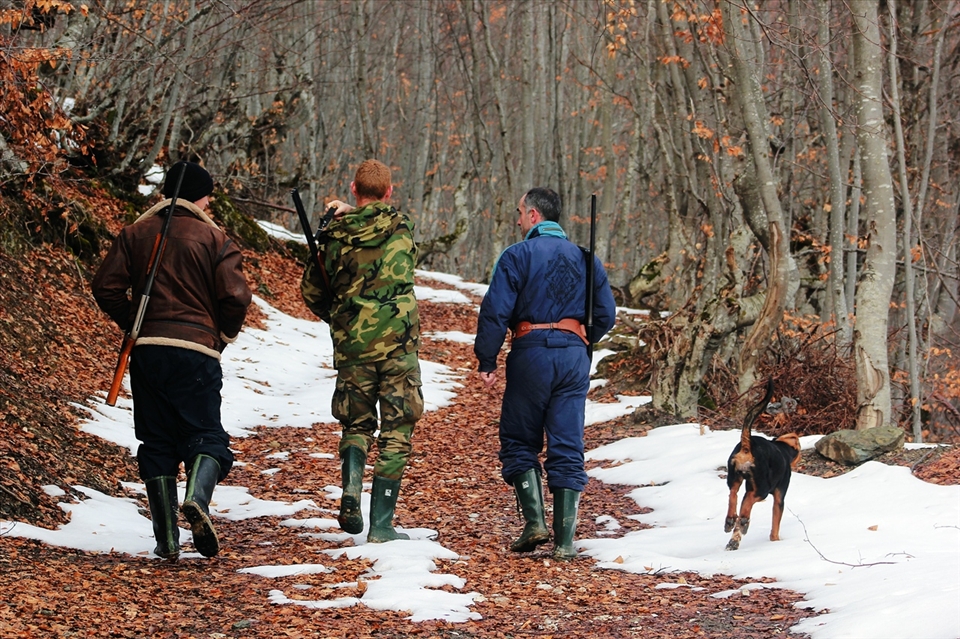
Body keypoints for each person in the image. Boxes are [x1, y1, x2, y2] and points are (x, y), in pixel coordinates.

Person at [91, 161, 252, 560]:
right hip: (196, 352)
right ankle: (197, 498)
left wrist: (136, 323)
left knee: (157, 440)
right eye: (208, 197)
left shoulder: (135, 234)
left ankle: (166, 538)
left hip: (147, 351)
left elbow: (105, 286)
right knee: (206, 435)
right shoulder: (216, 240)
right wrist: (222, 335)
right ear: (201, 198)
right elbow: (235, 297)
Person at [474, 187, 617, 560]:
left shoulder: (517, 255)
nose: (518, 220)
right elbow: (606, 314)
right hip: (574, 356)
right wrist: (579, 339)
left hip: (531, 352)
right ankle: (565, 542)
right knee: (567, 442)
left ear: (534, 215)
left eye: (520, 212)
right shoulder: (587, 258)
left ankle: (535, 523)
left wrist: (487, 359)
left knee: (519, 439)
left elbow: (495, 311)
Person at [300, 159, 423, 544]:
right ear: (389, 192)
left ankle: (351, 489)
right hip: (399, 345)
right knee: (397, 428)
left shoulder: (332, 236)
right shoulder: (401, 227)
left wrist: (343, 317)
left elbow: (312, 292)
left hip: (354, 345)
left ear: (353, 189)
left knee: (356, 425)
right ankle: (382, 526)